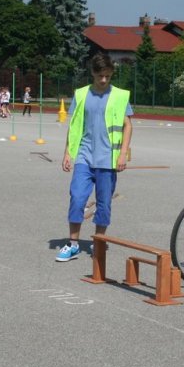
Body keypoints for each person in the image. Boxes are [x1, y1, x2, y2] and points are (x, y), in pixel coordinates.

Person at [56, 53, 133, 262]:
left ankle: (99, 242)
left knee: (104, 204)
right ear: (92, 73)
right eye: (100, 76)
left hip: (108, 158)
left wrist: (124, 153)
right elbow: (74, 127)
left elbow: (127, 126)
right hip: (84, 155)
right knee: (77, 197)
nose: (104, 80)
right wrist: (67, 153)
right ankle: (72, 245)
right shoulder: (81, 95)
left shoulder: (119, 96)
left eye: (108, 76)